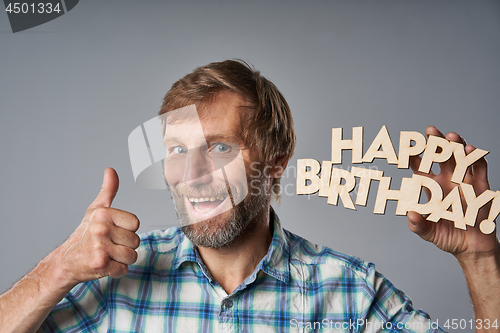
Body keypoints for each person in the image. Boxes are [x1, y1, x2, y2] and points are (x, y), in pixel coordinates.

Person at [0, 60, 498, 333]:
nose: (192, 174)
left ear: (275, 161)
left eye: (219, 147)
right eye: (176, 149)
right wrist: (59, 269)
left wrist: (480, 259)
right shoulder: (115, 277)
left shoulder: (349, 292)